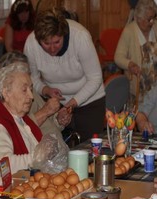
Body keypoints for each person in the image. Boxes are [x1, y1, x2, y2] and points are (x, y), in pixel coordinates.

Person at [24, 7, 105, 142]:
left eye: (57, 42)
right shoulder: (31, 44)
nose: (52, 48)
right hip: (55, 103)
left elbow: (95, 78)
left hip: (90, 100)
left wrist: (71, 104)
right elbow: (32, 78)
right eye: (46, 43)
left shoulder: (80, 37)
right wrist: (46, 90)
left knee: (90, 148)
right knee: (59, 148)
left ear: (64, 34)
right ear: (38, 40)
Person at [0, 62, 42, 176]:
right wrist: (39, 158)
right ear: (6, 93)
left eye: (31, 89)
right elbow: (1, 166)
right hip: (10, 190)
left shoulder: (21, 118)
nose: (31, 96)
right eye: (24, 90)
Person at [0, 51, 72, 140]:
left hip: (57, 146)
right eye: (21, 73)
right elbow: (16, 132)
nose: (26, 78)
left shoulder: (31, 91)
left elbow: (49, 122)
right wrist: (45, 111)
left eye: (28, 73)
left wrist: (59, 120)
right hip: (38, 151)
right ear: (6, 76)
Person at [114, 0, 157, 99]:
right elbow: (118, 57)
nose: (152, 22)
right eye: (149, 19)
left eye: (153, 18)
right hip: (139, 89)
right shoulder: (129, 31)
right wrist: (130, 64)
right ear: (139, 18)